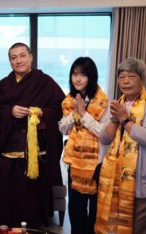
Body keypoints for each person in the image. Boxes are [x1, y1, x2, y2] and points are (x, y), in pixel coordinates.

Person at [0, 42, 65, 228]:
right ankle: (8, 226)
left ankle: (33, 226)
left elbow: (59, 108)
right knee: (11, 197)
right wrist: (10, 112)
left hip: (36, 150)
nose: (18, 61)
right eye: (13, 57)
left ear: (31, 57)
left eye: (22, 56)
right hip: (11, 147)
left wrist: (41, 113)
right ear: (9, 61)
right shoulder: (3, 85)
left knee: (33, 197)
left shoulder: (45, 82)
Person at [95, 57, 146, 234]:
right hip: (117, 177)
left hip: (144, 180)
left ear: (142, 79)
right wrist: (114, 118)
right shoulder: (118, 104)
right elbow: (104, 138)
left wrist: (125, 119)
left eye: (131, 76)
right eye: (121, 77)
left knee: (139, 230)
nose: (125, 81)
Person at [58, 57, 108, 234]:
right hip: (75, 162)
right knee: (76, 207)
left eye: (83, 74)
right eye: (74, 74)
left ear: (91, 77)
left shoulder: (103, 103)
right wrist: (74, 114)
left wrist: (84, 114)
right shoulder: (68, 101)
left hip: (97, 163)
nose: (77, 79)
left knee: (94, 209)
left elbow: (104, 134)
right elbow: (63, 128)